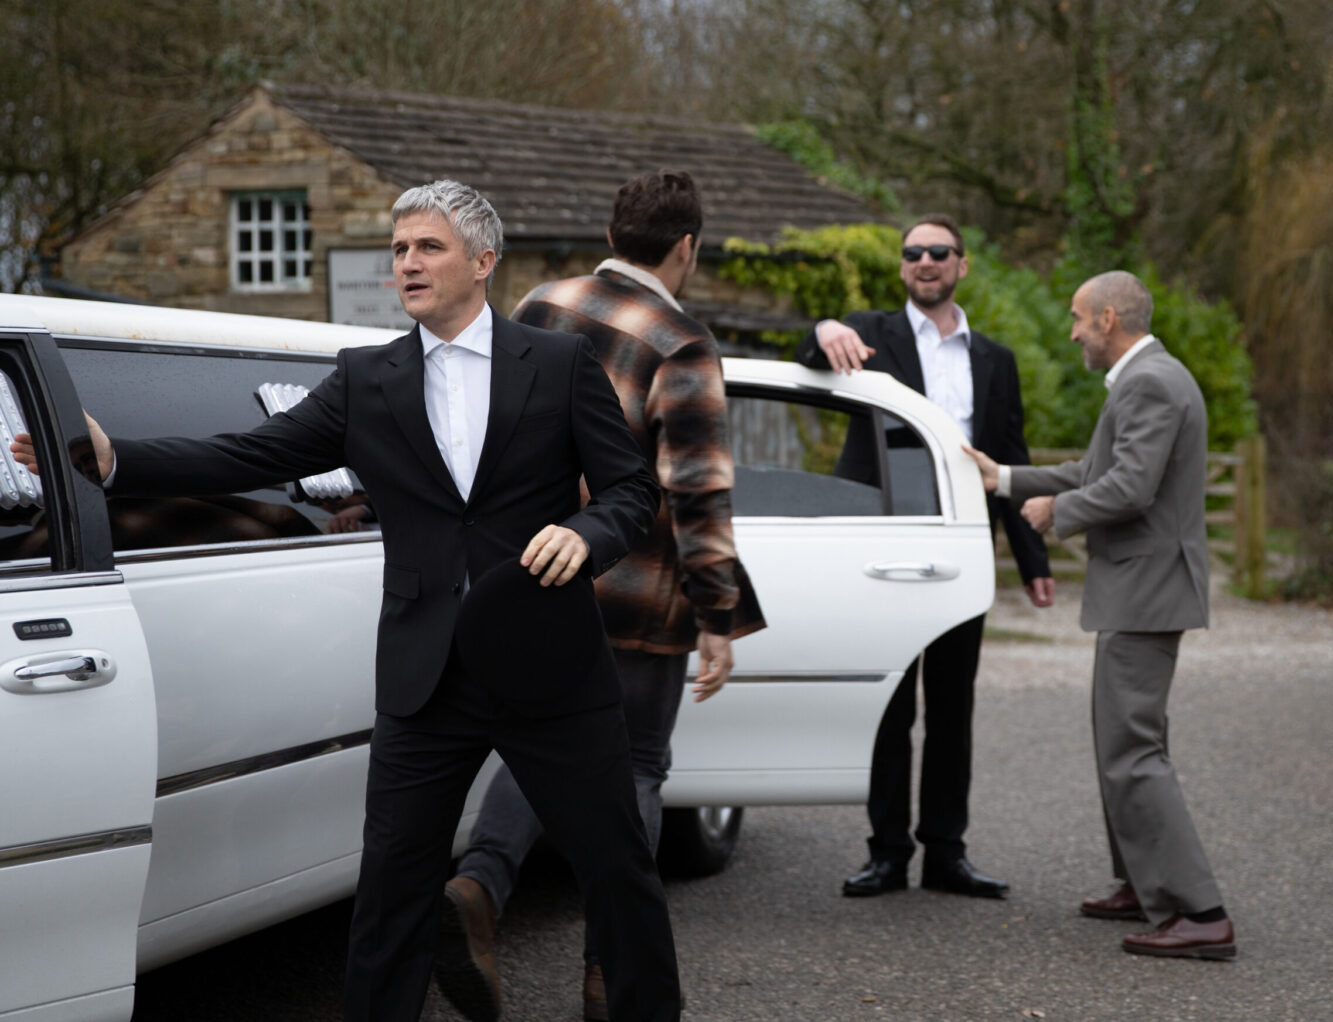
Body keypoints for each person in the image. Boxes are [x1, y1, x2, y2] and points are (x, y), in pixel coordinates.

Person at [14, 180, 684, 1019]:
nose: (407, 262)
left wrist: (587, 534)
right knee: (392, 897)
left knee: (618, 874)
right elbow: (249, 452)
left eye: (428, 247)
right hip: (424, 677)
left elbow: (630, 491)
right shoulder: (368, 378)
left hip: (549, 665)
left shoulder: (557, 363)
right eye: (399, 249)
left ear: (483, 262)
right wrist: (114, 462)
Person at [434, 169, 765, 1022]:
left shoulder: (542, 302)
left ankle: (478, 887)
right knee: (637, 769)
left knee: (534, 748)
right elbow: (698, 494)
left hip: (534, 576)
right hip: (638, 595)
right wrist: (719, 615)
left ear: (614, 231)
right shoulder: (683, 344)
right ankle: (608, 973)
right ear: (685, 247)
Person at [965, 269, 1235, 960]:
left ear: (1110, 319)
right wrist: (1004, 479)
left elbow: (1128, 487)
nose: (1075, 331)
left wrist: (1058, 514)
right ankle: (1146, 886)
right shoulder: (1152, 378)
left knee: (1133, 751)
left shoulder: (1151, 382)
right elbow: (1094, 467)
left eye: (1081, 319)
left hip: (1147, 592)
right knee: (1126, 743)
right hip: (1143, 589)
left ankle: (1200, 912)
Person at [794, 214, 1054, 900]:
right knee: (890, 707)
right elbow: (807, 353)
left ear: (962, 265)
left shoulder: (995, 359)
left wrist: (1033, 561)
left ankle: (947, 854)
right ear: (903, 267)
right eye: (913, 253)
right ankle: (886, 854)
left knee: (951, 705)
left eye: (939, 252)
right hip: (884, 543)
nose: (925, 261)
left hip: (961, 544)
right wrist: (822, 329)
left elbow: (1012, 460)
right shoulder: (870, 333)